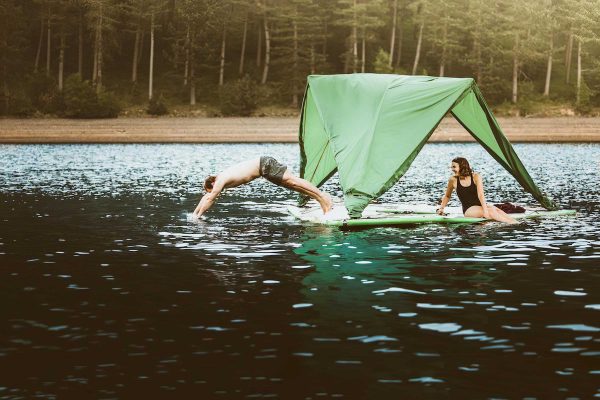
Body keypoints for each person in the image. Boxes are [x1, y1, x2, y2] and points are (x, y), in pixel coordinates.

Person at [192, 156, 333, 218]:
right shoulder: (220, 179)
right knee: (293, 186)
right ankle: (321, 200)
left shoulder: (220, 180)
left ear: (212, 183)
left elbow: (210, 198)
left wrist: (198, 217)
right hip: (264, 170)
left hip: (264, 164)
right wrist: (194, 214)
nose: (216, 192)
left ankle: (323, 198)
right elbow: (207, 197)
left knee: (294, 181)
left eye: (212, 190)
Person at [437, 157, 518, 224]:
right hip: (469, 210)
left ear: (462, 167)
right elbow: (447, 196)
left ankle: (516, 222)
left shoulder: (476, 176)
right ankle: (512, 225)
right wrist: (441, 208)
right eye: (451, 167)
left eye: (454, 167)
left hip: (479, 206)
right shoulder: (453, 180)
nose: (451, 169)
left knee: (495, 209)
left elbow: (480, 194)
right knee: (491, 211)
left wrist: (485, 210)